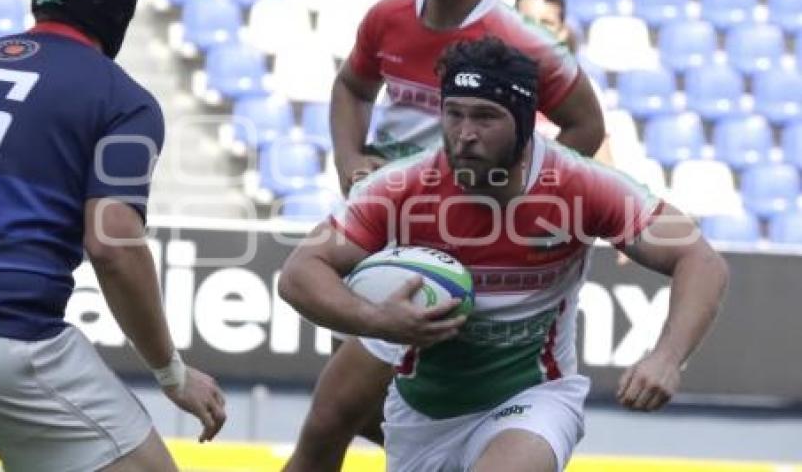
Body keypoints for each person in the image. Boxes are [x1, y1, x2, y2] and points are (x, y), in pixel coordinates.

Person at [279, 36, 728, 472]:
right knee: (325, 426)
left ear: (525, 121)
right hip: (421, 414)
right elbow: (300, 272)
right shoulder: (400, 187)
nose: (465, 134)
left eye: (485, 117)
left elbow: (701, 261)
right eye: (453, 114)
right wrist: (375, 320)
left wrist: (667, 357)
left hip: (533, 398)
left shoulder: (581, 185)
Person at [286, 0, 605, 469]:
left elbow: (587, 125)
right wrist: (350, 160)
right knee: (336, 416)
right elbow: (352, 87)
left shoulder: (519, 44)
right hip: (396, 232)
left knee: (339, 410)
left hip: (463, 252)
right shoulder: (386, 17)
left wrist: (518, 204)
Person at [0, 0, 225, 472]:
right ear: (119, 7)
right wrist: (171, 372)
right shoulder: (122, 100)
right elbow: (113, 247)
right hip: (1, 336)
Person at [513, 0, 615, 166]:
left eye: (546, 23)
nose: (535, 30)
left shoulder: (584, 90)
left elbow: (604, 168)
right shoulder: (490, 87)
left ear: (562, 32)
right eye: (526, 20)